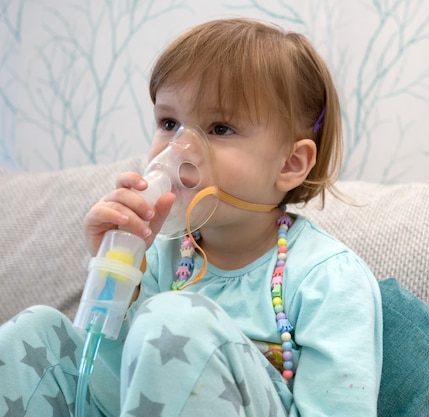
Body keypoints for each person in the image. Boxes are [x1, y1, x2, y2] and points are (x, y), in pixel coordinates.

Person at [0, 18, 382, 417]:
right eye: (169, 123)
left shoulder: (328, 281)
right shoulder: (161, 257)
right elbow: (107, 394)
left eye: (220, 128)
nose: (181, 146)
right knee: (35, 331)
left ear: (290, 163)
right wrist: (118, 274)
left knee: (173, 321)